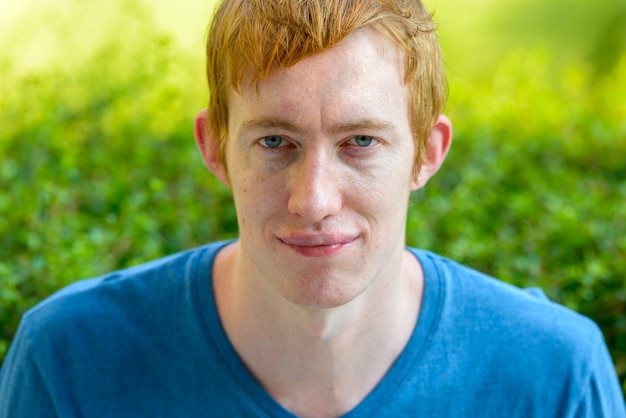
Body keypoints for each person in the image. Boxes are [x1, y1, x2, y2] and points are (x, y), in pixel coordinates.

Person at [1, 0, 624, 416]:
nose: (314, 199)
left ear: (426, 154)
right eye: (275, 142)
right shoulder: (71, 361)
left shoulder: (553, 376)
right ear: (215, 148)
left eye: (361, 142)